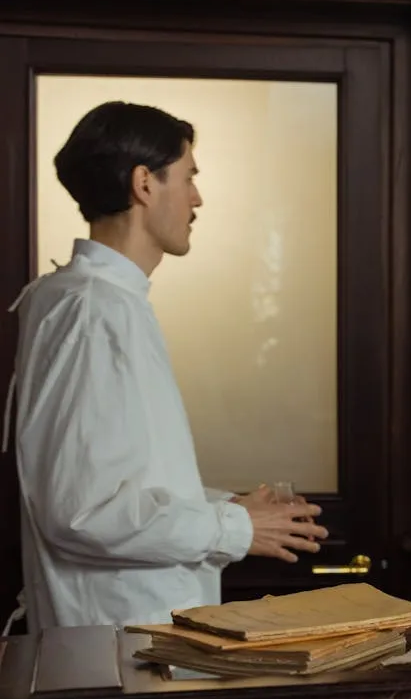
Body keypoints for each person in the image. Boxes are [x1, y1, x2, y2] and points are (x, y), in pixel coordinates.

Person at [1, 101, 328, 632]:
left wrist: (232, 507)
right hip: (116, 649)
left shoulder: (99, 302)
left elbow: (115, 478)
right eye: (189, 176)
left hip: (133, 641)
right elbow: (80, 513)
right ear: (144, 185)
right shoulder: (93, 310)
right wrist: (234, 527)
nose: (198, 198)